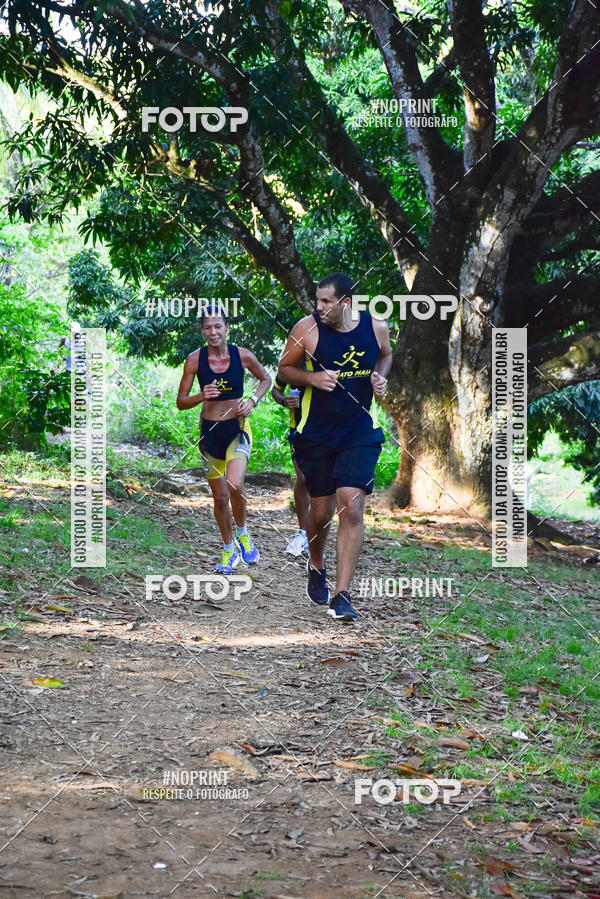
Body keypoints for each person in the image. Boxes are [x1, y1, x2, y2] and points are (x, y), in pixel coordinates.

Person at [278, 273, 391, 622]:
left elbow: (386, 355)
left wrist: (380, 377)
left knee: (351, 507)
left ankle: (342, 595)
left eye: (326, 302)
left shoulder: (375, 327)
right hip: (315, 433)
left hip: (358, 432)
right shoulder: (306, 330)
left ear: (347, 303)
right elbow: (283, 371)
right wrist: (311, 378)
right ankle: (316, 563)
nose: (319, 307)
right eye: (317, 301)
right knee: (321, 511)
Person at [177, 307, 271, 573]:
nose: (213, 332)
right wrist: (201, 395)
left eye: (218, 326)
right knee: (219, 498)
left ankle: (242, 530)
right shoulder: (195, 360)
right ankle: (229, 549)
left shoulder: (242, 356)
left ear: (227, 327)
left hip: (237, 428)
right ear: (202, 331)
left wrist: (253, 400)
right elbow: (181, 402)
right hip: (209, 433)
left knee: (234, 483)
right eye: (207, 327)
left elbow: (266, 378)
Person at [271, 374, 310, 556]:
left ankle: (317, 535)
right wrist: (284, 400)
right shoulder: (292, 362)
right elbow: (276, 389)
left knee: (324, 480)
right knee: (303, 478)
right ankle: (303, 532)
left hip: (328, 427)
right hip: (298, 429)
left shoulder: (329, 356)